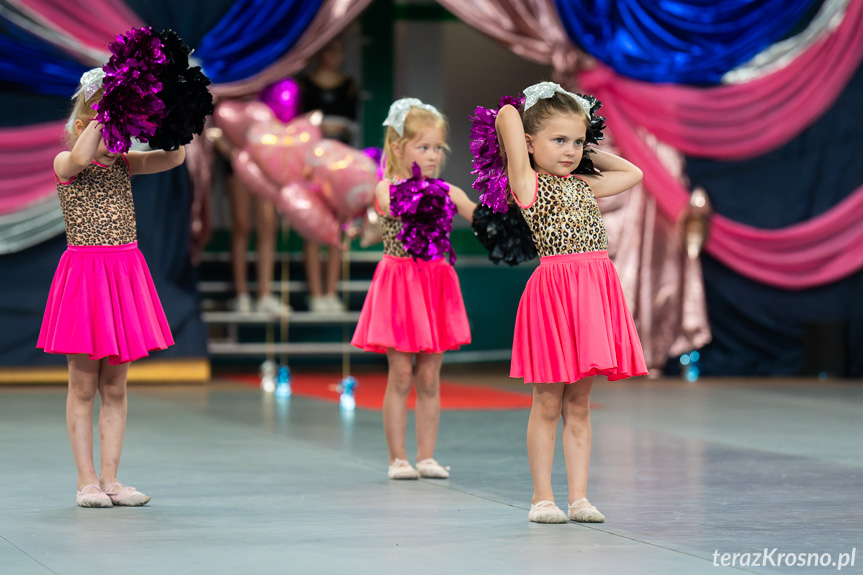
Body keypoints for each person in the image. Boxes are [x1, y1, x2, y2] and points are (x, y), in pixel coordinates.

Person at [494, 82, 648, 523]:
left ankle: (579, 497)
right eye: (559, 141)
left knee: (579, 403)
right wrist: (531, 109)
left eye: (577, 141)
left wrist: (586, 141)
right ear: (528, 143)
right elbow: (506, 117)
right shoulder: (528, 185)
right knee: (547, 401)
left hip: (594, 291)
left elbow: (633, 173)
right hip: (556, 294)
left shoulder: (582, 184)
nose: (570, 150)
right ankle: (542, 497)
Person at [37, 69, 185, 508]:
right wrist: (104, 113)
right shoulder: (65, 164)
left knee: (115, 387)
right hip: (85, 277)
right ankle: (85, 482)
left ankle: (111, 479)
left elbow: (172, 158)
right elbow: (79, 159)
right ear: (85, 125)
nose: (120, 136)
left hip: (122, 274)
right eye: (111, 124)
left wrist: (177, 118)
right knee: (83, 386)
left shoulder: (124, 163)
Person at [351, 98, 475, 480]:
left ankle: (426, 456)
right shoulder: (386, 188)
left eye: (438, 148)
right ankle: (397, 458)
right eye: (423, 147)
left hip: (436, 283)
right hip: (401, 286)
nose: (433, 155)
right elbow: (394, 207)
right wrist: (439, 194)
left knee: (429, 377)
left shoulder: (449, 191)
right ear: (397, 148)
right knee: (401, 373)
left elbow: (478, 215)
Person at [296, 37, 359, 312]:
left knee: (337, 230)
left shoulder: (349, 86)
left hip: (341, 169)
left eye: (340, 48)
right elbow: (298, 128)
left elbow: (352, 126)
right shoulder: (304, 86)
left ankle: (331, 292)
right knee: (313, 229)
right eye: (330, 48)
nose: (335, 55)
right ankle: (316, 293)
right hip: (312, 167)